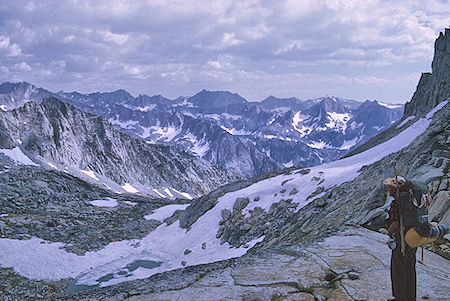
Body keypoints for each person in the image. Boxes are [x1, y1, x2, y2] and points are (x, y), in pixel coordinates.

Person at [384, 176, 419, 301]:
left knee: (398, 269)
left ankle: (399, 297)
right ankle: (410, 297)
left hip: (401, 240)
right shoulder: (411, 200)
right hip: (413, 238)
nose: (388, 189)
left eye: (390, 187)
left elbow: (395, 223)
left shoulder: (396, 203)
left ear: (395, 189)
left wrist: (389, 233)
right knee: (410, 267)